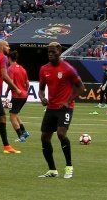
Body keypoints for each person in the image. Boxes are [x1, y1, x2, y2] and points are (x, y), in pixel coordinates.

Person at [38, 42, 85, 179]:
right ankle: (52, 170)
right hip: (51, 108)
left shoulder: (68, 69)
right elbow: (41, 89)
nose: (50, 54)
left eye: (53, 52)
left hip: (65, 108)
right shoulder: (44, 69)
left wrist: (68, 101)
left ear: (59, 51)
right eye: (49, 52)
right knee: (44, 137)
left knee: (61, 134)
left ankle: (69, 167)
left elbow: (81, 87)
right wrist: (42, 98)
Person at [7, 51, 30, 142]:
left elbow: (11, 82)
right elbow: (27, 83)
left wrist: (8, 91)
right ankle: (24, 132)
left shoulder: (10, 69)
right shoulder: (22, 68)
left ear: (9, 58)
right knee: (15, 114)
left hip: (17, 95)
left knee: (12, 116)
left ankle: (21, 136)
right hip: (24, 95)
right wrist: (25, 91)